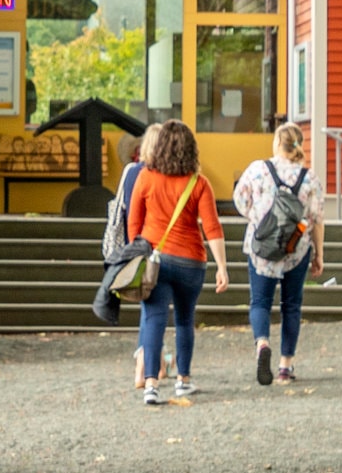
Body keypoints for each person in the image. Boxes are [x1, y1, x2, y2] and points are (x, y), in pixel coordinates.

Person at [125, 120, 228, 405]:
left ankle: (151, 385)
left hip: (155, 260)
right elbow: (212, 228)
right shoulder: (199, 183)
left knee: (153, 319)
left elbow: (133, 222)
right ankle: (183, 380)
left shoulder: (146, 177)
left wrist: (137, 256)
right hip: (191, 262)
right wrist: (222, 266)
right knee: (185, 319)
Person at [233, 121, 325, 386]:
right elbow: (317, 219)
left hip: (262, 249)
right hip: (296, 249)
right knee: (291, 305)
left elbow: (240, 201)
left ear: (277, 143)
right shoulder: (310, 178)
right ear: (299, 145)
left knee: (260, 302)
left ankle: (262, 343)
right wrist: (319, 254)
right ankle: (285, 365)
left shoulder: (258, 170)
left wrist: (257, 218)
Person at [110, 124, 165, 387]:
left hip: (136, 243)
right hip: (161, 244)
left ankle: (154, 359)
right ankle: (146, 361)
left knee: (149, 303)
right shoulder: (166, 174)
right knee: (152, 305)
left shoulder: (131, 171)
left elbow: (121, 207)